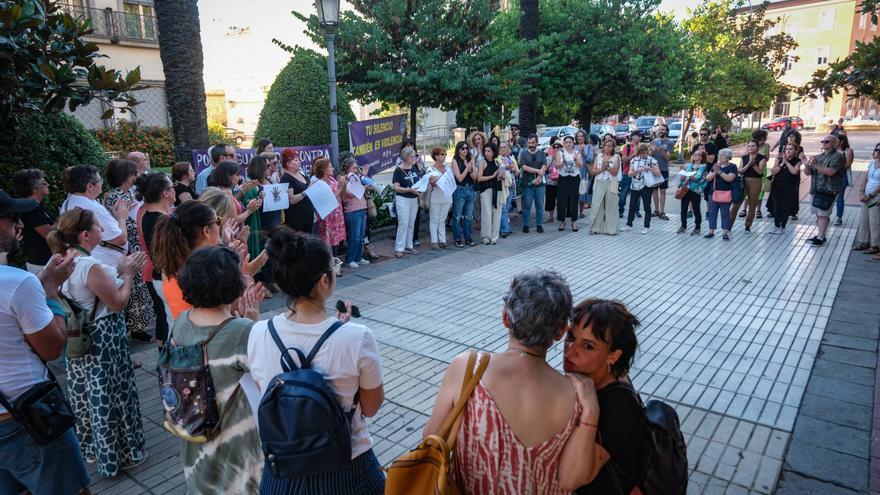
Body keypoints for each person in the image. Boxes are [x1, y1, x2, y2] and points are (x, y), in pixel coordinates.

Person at [424, 270, 601, 493]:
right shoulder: (576, 394)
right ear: (560, 332)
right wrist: (592, 410)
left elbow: (431, 441)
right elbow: (570, 480)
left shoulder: (467, 369)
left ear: (505, 317)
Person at [247, 229, 385, 494]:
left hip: (283, 474)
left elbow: (264, 394)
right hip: (350, 470)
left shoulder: (257, 332)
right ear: (324, 281)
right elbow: (371, 407)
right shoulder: (357, 337)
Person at [0, 191, 89, 495]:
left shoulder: (19, 286)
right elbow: (52, 348)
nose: (19, 225)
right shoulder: (16, 283)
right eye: (13, 219)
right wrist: (49, 291)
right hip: (24, 419)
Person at [48, 209, 148, 477]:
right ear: (85, 235)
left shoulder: (59, 261)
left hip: (77, 336)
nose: (102, 232)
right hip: (103, 339)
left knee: (86, 395)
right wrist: (128, 273)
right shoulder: (90, 266)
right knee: (112, 394)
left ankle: (93, 449)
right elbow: (117, 302)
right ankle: (122, 453)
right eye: (99, 228)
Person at [172, 246, 264, 494]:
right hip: (236, 442)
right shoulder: (243, 330)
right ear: (230, 285)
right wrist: (253, 321)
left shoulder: (181, 321)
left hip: (195, 433)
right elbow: (264, 380)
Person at [563, 298, 644, 495]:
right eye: (571, 337)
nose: (570, 351)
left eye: (588, 346)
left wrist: (591, 409)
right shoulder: (591, 379)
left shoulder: (619, 406)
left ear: (613, 355)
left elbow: (573, 479)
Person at [101, 158, 155, 342]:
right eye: (134, 174)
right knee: (135, 288)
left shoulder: (111, 195)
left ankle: (137, 328)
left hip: (127, 247)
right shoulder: (121, 198)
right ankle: (137, 329)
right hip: (130, 247)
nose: (136, 177)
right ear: (127, 177)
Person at [152, 201, 223, 320]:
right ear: (206, 231)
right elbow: (228, 315)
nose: (220, 225)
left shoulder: (171, 265)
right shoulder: (207, 272)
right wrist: (245, 273)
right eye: (218, 221)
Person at [134, 172, 176, 345]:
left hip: (157, 275)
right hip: (168, 277)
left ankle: (164, 365)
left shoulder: (144, 212)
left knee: (166, 320)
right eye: (172, 187)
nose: (175, 190)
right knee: (172, 324)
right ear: (166, 193)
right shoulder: (164, 221)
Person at [59, 165, 129, 266]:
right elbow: (120, 239)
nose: (101, 183)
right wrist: (121, 217)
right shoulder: (90, 206)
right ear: (90, 186)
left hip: (85, 259)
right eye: (100, 180)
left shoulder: (69, 201)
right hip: (104, 264)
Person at [804, 135, 846, 246]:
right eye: (822, 141)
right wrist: (806, 164)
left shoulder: (838, 157)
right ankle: (820, 234)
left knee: (823, 214)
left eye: (827, 141)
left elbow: (831, 172)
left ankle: (821, 237)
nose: (824, 143)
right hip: (816, 189)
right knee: (818, 214)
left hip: (829, 190)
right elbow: (808, 173)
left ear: (835, 144)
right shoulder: (818, 157)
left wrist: (815, 164)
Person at [12, 169, 54, 274]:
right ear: (33, 188)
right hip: (41, 264)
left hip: (44, 262)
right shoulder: (31, 209)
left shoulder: (36, 207)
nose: (48, 185)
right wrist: (68, 220)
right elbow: (50, 234)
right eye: (44, 183)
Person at [311, 157, 347, 256]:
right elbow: (327, 200)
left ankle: (334, 264)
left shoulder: (331, 179)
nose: (333, 169)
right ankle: (329, 266)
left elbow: (340, 195)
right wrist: (339, 188)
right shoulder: (318, 183)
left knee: (335, 242)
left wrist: (343, 185)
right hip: (327, 218)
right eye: (330, 167)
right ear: (323, 170)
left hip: (336, 215)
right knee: (327, 243)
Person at [730, 141, 767, 233]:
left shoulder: (762, 158)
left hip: (756, 181)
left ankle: (748, 225)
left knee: (752, 204)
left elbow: (760, 172)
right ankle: (729, 225)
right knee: (736, 203)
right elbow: (740, 170)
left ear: (758, 147)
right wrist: (749, 164)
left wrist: (753, 164)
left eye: (753, 146)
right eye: (749, 146)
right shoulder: (744, 157)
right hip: (743, 181)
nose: (751, 148)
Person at [623, 143, 660, 234]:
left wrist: (650, 169)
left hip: (646, 186)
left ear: (647, 152)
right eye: (640, 153)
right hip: (635, 185)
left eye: (644, 153)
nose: (642, 155)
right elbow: (629, 174)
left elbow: (658, 173)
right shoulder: (634, 160)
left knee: (647, 206)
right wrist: (636, 171)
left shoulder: (652, 160)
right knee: (632, 206)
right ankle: (629, 224)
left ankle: (646, 226)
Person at [341, 156, 371, 268]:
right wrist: (364, 188)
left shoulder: (357, 177)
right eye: (354, 167)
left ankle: (358, 258)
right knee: (354, 236)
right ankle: (350, 259)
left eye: (356, 167)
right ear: (347, 168)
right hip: (352, 210)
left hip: (361, 208)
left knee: (361, 236)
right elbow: (349, 193)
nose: (356, 169)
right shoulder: (346, 178)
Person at [393, 147, 421, 257]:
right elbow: (396, 188)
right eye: (412, 156)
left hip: (414, 199)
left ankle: (409, 245)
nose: (414, 158)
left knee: (411, 222)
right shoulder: (399, 170)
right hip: (403, 199)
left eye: (415, 156)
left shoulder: (413, 167)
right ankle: (399, 248)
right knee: (403, 223)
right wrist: (409, 190)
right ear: (406, 157)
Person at [767, 143, 802, 235]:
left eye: (791, 149)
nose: (788, 151)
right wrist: (782, 162)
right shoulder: (778, 159)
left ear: (795, 151)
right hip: (777, 186)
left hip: (789, 187)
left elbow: (795, 171)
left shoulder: (797, 161)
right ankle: (776, 226)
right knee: (776, 207)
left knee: (785, 207)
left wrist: (787, 162)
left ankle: (783, 226)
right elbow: (774, 171)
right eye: (786, 149)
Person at [704, 148, 738, 240]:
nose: (720, 157)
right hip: (713, 192)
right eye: (719, 155)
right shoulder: (716, 165)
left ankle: (725, 232)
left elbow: (729, 178)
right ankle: (711, 231)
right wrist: (715, 171)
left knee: (725, 213)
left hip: (726, 193)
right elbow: (708, 178)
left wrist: (719, 171)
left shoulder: (732, 167)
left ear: (728, 157)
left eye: (722, 155)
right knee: (712, 213)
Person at [278, 148, 314, 234]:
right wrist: (306, 192)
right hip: (296, 219)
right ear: (288, 164)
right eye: (296, 160)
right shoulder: (286, 178)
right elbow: (291, 200)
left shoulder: (301, 173)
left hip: (308, 216)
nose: (299, 162)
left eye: (299, 160)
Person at [589, 139, 621, 235]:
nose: (607, 147)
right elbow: (592, 172)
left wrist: (608, 167)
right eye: (606, 145)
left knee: (611, 206)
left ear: (613, 147)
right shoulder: (599, 156)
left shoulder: (616, 157)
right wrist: (602, 168)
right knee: (596, 206)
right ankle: (595, 228)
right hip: (599, 182)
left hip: (611, 183)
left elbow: (615, 173)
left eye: (610, 146)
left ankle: (611, 230)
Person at [518, 134, 547, 234]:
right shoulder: (524, 154)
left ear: (537, 142)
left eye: (533, 142)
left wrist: (538, 178)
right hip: (527, 183)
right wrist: (537, 171)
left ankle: (539, 224)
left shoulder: (542, 154)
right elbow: (524, 167)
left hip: (540, 184)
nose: (531, 145)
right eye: (529, 143)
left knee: (539, 204)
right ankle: (526, 225)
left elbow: (544, 167)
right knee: (527, 205)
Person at [855, 144, 880, 257]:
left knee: (875, 221)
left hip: (876, 196)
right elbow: (865, 178)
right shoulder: (872, 163)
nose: (878, 152)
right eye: (876, 149)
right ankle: (864, 242)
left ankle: (875, 245)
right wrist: (861, 192)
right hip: (866, 195)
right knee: (864, 219)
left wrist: (870, 195)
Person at [477, 142, 504, 244]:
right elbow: (479, 178)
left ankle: (494, 237)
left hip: (497, 190)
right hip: (486, 190)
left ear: (493, 152)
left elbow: (501, 176)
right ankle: (485, 237)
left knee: (497, 214)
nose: (487, 153)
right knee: (486, 214)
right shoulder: (482, 163)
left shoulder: (498, 163)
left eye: (489, 151)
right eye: (485, 151)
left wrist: (502, 175)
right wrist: (492, 176)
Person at [554, 135, 583, 232]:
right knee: (562, 200)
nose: (568, 144)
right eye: (566, 142)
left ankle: (574, 222)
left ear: (573, 143)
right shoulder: (560, 153)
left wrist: (575, 159)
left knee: (574, 200)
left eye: (570, 142)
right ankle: (562, 221)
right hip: (563, 179)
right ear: (564, 144)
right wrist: (563, 162)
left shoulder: (577, 153)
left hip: (574, 179)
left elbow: (581, 166)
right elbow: (557, 166)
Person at [427, 147, 454, 249]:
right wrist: (440, 177)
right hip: (435, 197)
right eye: (442, 154)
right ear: (436, 156)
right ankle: (434, 241)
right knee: (434, 219)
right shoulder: (430, 169)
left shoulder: (448, 168)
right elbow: (432, 183)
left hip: (446, 197)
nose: (444, 156)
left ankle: (442, 240)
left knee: (442, 219)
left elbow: (451, 181)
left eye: (445, 154)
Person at [677, 150, 708, 236]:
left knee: (696, 209)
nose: (695, 155)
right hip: (685, 189)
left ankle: (697, 227)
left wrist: (687, 174)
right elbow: (684, 178)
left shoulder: (703, 167)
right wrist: (683, 176)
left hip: (695, 190)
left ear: (701, 157)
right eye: (694, 154)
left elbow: (697, 177)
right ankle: (683, 226)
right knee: (683, 208)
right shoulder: (690, 165)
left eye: (697, 154)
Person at [650, 124, 674, 220]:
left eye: (663, 129)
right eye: (659, 129)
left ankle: (662, 211)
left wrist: (661, 150)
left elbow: (668, 157)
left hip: (664, 169)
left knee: (663, 191)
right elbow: (649, 155)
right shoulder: (653, 142)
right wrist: (653, 150)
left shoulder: (669, 142)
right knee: (654, 190)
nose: (661, 131)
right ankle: (656, 210)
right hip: (654, 169)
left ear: (666, 131)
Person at [498, 141, 520, 238]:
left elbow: (517, 171)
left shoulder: (511, 158)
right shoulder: (497, 159)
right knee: (503, 208)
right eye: (501, 147)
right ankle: (504, 229)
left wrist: (515, 169)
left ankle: (505, 228)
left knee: (506, 207)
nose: (502, 149)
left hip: (511, 185)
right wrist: (507, 167)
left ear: (508, 149)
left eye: (504, 147)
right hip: (502, 186)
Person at [617, 133, 639, 219]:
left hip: (637, 174)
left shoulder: (641, 146)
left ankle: (636, 211)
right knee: (623, 194)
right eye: (638, 135)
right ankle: (620, 210)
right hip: (627, 174)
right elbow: (624, 160)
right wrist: (633, 155)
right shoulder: (627, 147)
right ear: (633, 137)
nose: (640, 137)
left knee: (637, 194)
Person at [834, 134, 855, 226]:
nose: (834, 141)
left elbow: (848, 165)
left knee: (839, 197)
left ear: (842, 141)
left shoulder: (848, 151)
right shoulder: (833, 150)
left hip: (842, 177)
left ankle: (839, 217)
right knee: (829, 196)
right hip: (832, 176)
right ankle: (824, 216)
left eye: (836, 140)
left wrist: (835, 167)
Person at [575, 130, 595, 217]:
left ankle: (581, 212)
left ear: (584, 137)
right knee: (575, 192)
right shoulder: (573, 146)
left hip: (584, 171)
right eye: (578, 136)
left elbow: (590, 159)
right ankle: (574, 211)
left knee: (582, 191)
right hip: (575, 170)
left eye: (581, 136)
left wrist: (583, 153)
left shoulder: (589, 147)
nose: (579, 138)